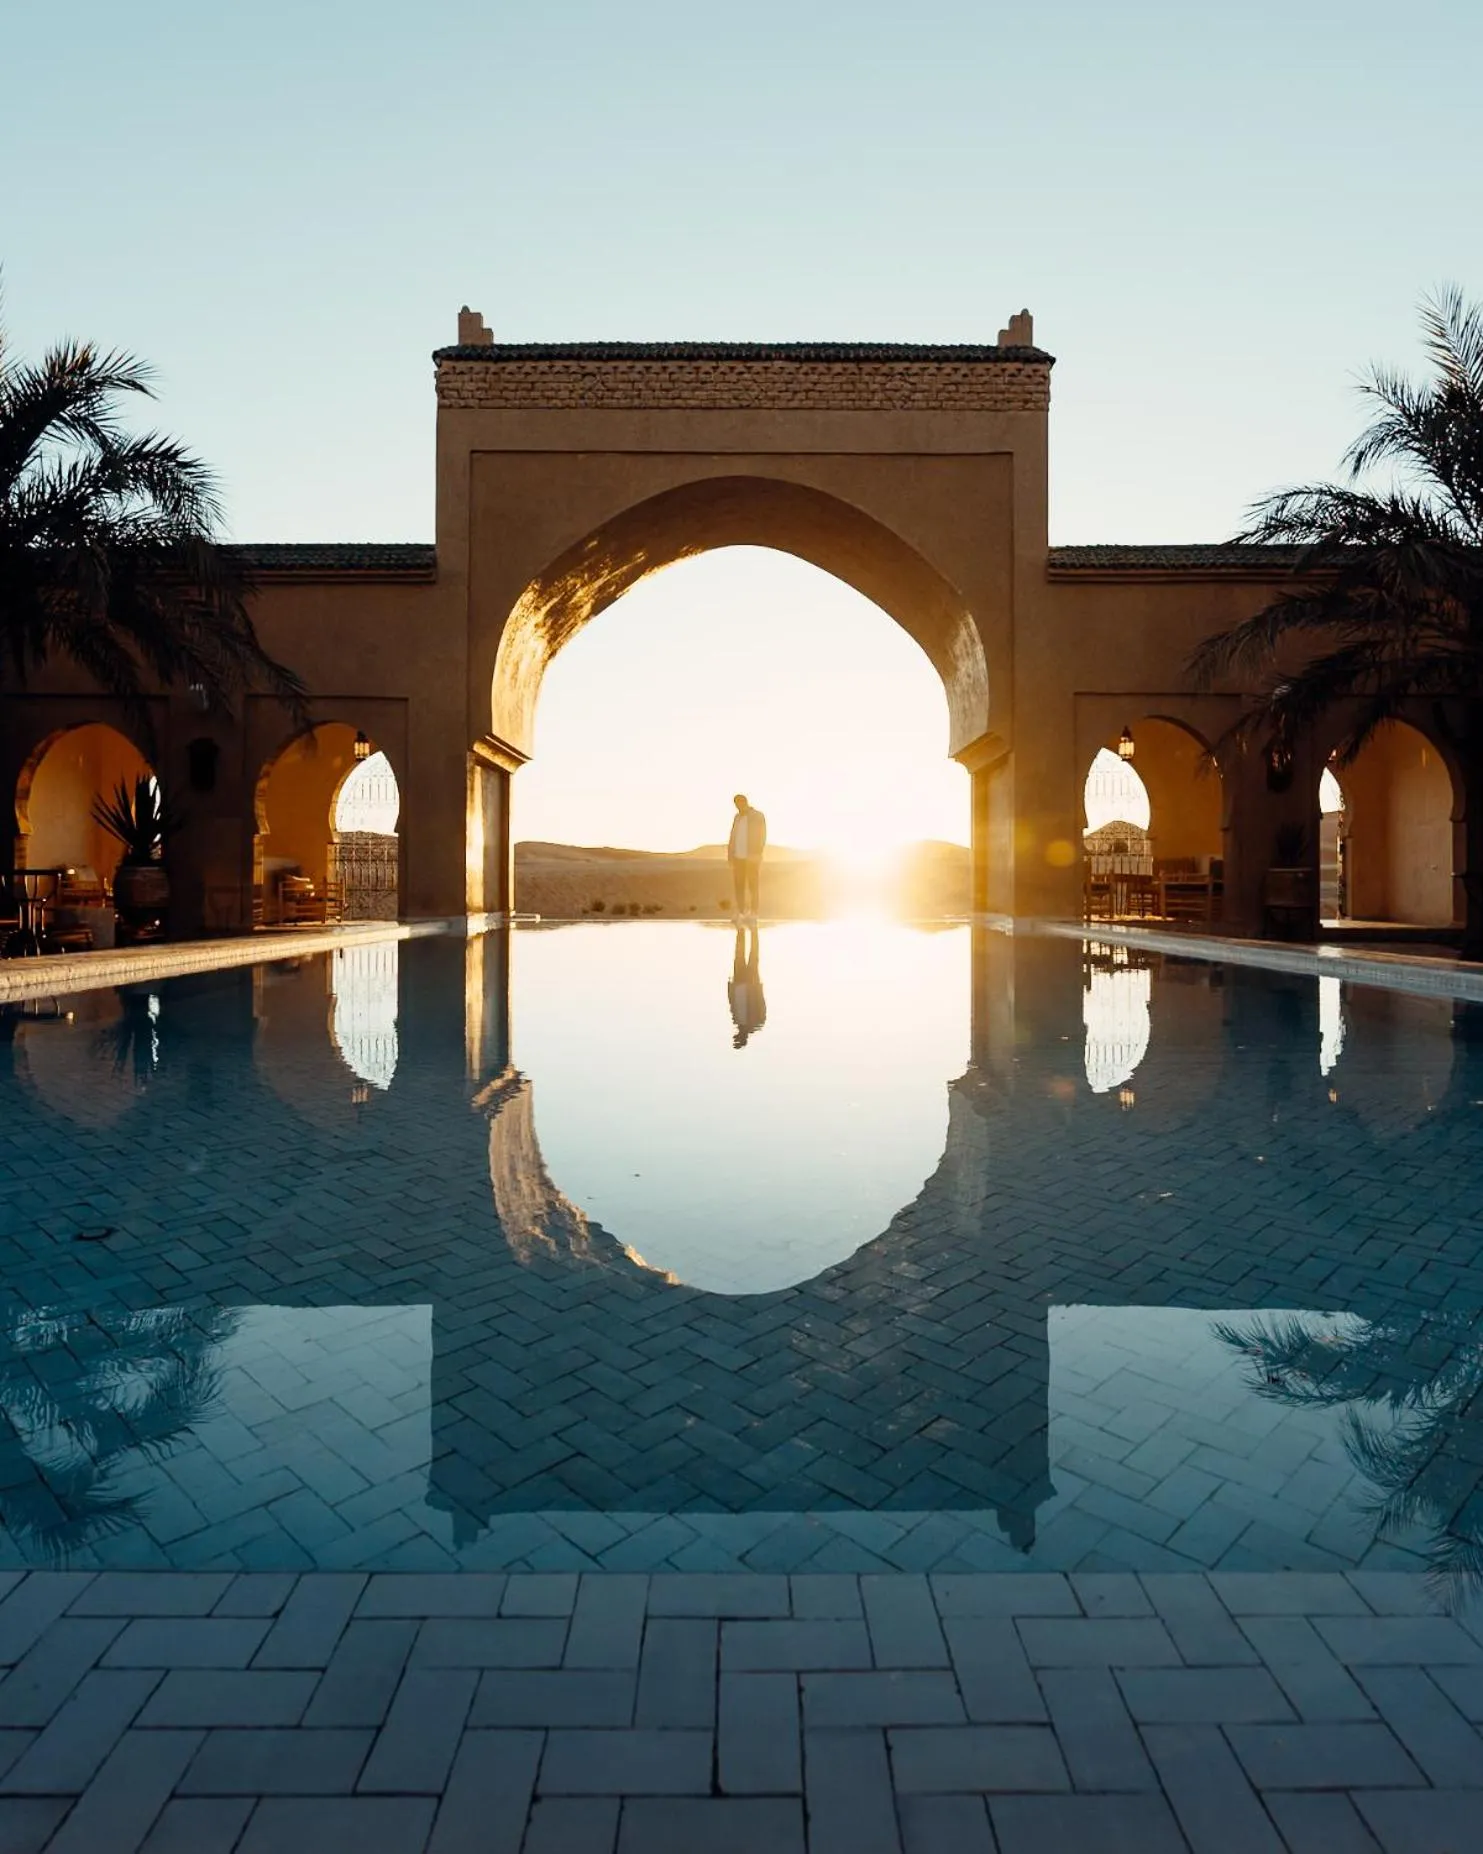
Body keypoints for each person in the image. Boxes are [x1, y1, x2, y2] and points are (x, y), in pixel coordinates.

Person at [728, 793, 766, 920]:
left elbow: (762, 835)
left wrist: (758, 853)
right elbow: (733, 836)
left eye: (739, 804)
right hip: (738, 857)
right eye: (736, 805)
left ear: (745, 802)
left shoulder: (758, 816)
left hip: (752, 857)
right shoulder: (737, 817)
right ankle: (741, 912)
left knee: (753, 885)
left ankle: (754, 913)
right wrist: (730, 854)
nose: (737, 807)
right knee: (739, 885)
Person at [728, 925, 766, 1049]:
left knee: (740, 954)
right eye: (738, 1036)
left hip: (739, 983)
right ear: (743, 1037)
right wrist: (758, 988)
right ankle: (753, 929)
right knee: (753, 954)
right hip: (751, 984)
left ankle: (741, 929)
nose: (737, 1034)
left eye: (736, 1036)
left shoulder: (738, 1022)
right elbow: (762, 1005)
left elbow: (733, 1004)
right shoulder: (756, 1023)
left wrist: (730, 987)